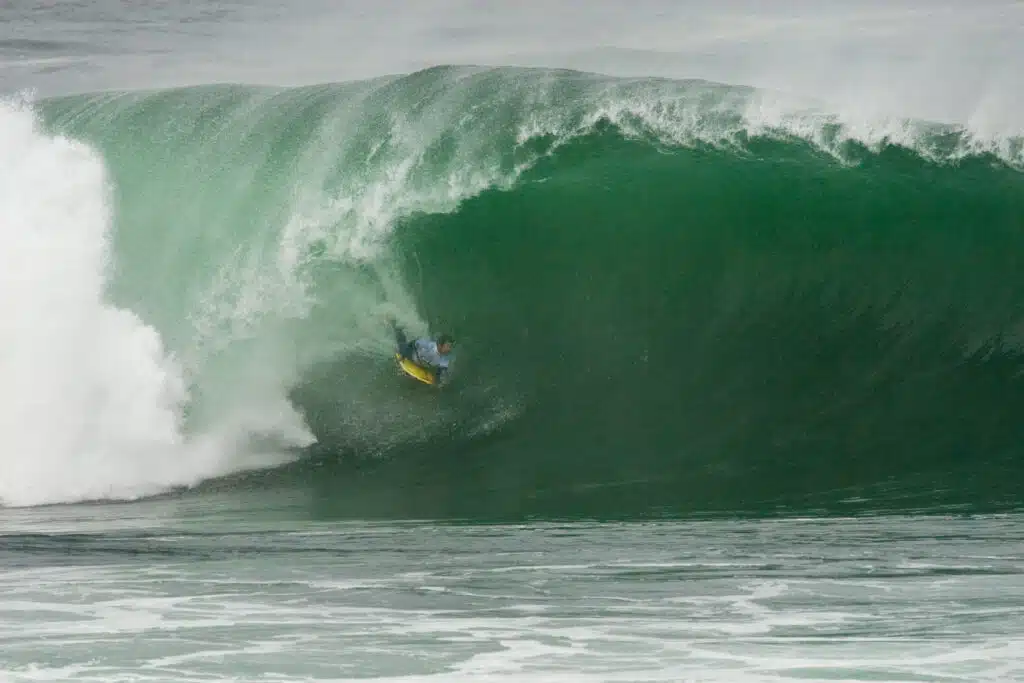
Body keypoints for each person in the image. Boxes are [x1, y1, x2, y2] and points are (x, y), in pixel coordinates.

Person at [390, 318, 455, 386]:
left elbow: (441, 372)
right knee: (400, 344)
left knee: (412, 378)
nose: (450, 349)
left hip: (421, 364)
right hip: (411, 354)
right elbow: (412, 344)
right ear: (440, 345)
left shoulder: (445, 359)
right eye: (448, 346)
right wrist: (403, 355)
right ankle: (394, 325)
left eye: (451, 346)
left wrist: (439, 381)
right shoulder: (429, 345)